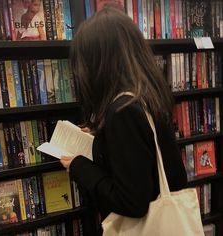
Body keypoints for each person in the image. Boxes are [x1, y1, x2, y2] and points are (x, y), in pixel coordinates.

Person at [60, 6, 187, 235]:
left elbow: (132, 203)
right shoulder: (145, 94)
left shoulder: (123, 111)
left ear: (99, 63)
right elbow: (143, 159)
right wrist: (102, 136)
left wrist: (79, 167)